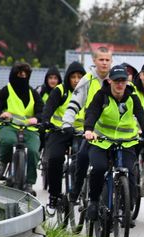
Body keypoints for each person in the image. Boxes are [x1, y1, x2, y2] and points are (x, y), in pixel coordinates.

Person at [83, 64, 144, 219]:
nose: (120, 84)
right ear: (110, 81)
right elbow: (92, 112)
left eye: (123, 81)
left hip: (126, 142)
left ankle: (125, 205)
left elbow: (141, 116)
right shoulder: (101, 95)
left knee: (129, 172)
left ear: (127, 82)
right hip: (101, 141)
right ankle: (94, 202)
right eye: (116, 81)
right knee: (99, 168)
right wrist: (88, 129)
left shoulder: (132, 98)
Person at [61, 46, 112, 202]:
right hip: (92, 131)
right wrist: (67, 123)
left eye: (107, 60)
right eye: (101, 60)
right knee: (82, 157)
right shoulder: (86, 80)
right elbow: (74, 103)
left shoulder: (117, 79)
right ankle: (77, 189)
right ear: (94, 60)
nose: (104, 63)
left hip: (113, 133)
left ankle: (123, 202)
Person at [0, 62, 43, 195]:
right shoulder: (6, 90)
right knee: (7, 141)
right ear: (14, 75)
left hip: (29, 129)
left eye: (25, 74)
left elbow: (42, 110)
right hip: (9, 126)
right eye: (20, 74)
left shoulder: (33, 93)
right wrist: (1, 114)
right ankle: (3, 163)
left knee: (33, 151)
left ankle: (30, 183)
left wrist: (37, 118)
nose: (23, 77)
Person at [41, 61, 86, 207]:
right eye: (73, 77)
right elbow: (49, 107)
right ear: (68, 78)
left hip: (80, 132)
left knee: (82, 160)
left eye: (80, 76)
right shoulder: (60, 90)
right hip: (59, 130)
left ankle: (81, 191)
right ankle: (54, 195)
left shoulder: (89, 91)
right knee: (54, 159)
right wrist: (46, 120)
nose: (77, 80)